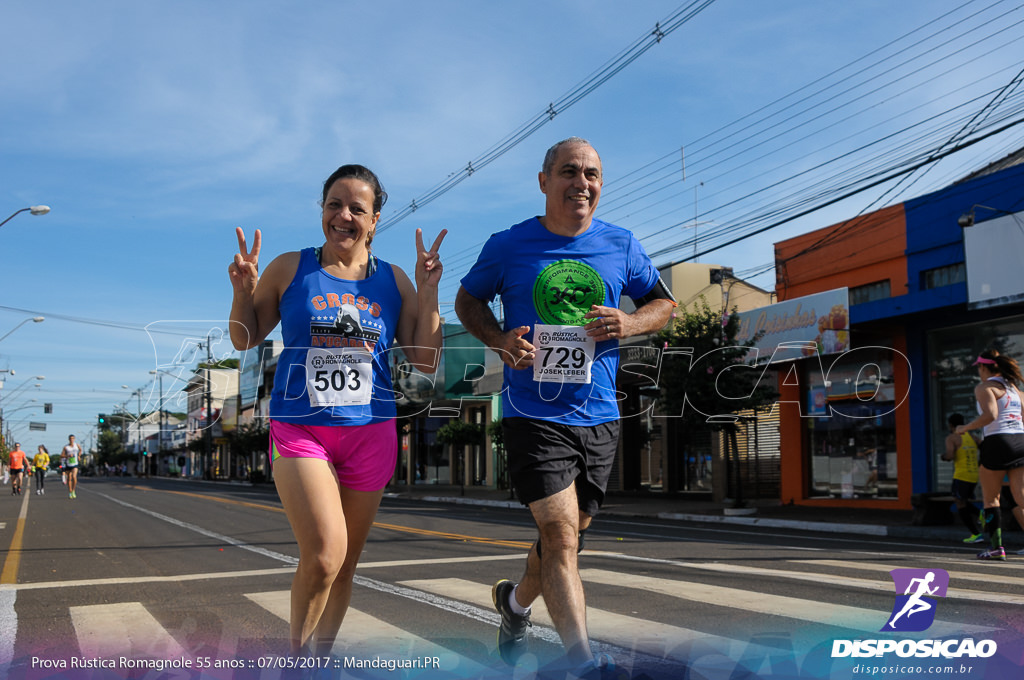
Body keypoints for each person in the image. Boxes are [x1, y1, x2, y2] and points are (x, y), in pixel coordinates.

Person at [455, 137, 676, 673]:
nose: (583, 183)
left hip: (600, 416)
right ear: (544, 181)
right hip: (535, 414)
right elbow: (467, 300)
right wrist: (501, 339)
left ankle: (513, 604)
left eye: (593, 174)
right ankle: (583, 663)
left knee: (566, 542)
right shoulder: (509, 245)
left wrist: (630, 322)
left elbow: (664, 304)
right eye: (570, 172)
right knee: (559, 537)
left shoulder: (622, 244)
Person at [228, 164, 445, 657]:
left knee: (345, 565)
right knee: (325, 556)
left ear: (375, 220)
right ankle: (298, 661)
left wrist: (428, 294)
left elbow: (425, 360)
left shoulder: (393, 281)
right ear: (321, 210)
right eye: (334, 205)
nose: (343, 216)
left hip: (371, 432)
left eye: (357, 209)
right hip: (301, 429)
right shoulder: (290, 268)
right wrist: (242, 292)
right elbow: (245, 337)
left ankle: (319, 662)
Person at [956, 350, 1024, 560]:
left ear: (984, 367)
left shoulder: (985, 387)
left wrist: (965, 427)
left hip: (997, 441)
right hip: (1020, 440)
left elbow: (991, 415)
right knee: (1021, 497)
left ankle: (996, 548)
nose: (978, 371)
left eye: (978, 367)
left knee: (991, 498)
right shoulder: (1016, 390)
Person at [942, 414, 984, 543]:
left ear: (950, 425)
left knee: (959, 503)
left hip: (961, 475)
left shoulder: (952, 438)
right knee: (962, 500)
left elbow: (949, 455)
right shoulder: (973, 437)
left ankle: (975, 534)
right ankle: (981, 514)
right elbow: (985, 448)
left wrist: (943, 457)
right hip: (973, 475)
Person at [61, 434, 82, 499]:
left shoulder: (77, 445)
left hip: (75, 464)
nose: (72, 440)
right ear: (69, 439)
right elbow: (61, 455)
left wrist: (79, 456)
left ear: (74, 439)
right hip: (68, 464)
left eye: (73, 438)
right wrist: (68, 456)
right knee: (69, 479)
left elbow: (80, 450)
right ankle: (70, 491)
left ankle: (73, 490)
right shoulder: (66, 447)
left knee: (74, 476)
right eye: (70, 438)